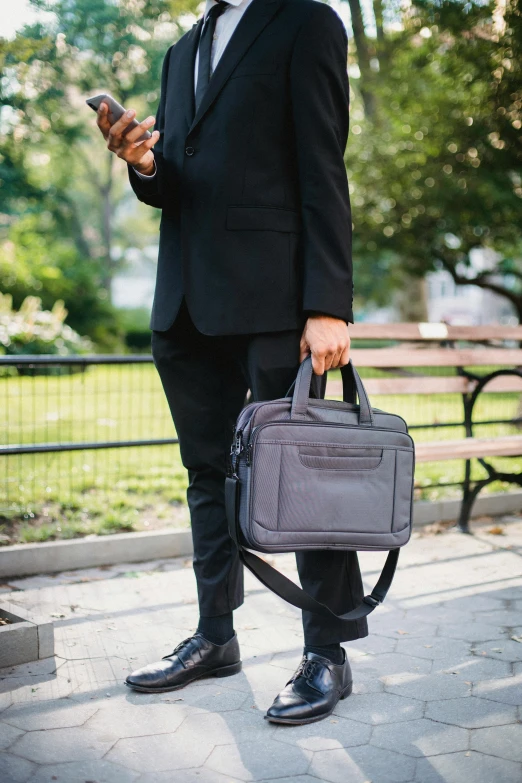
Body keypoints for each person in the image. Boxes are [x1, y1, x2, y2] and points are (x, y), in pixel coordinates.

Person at [95, 0, 368, 725]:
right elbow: (179, 181)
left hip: (278, 298)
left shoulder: (305, 21)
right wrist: (144, 162)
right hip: (186, 300)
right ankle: (215, 635)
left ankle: (327, 652)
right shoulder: (182, 50)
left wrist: (329, 302)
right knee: (204, 473)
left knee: (303, 473)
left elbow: (322, 161)